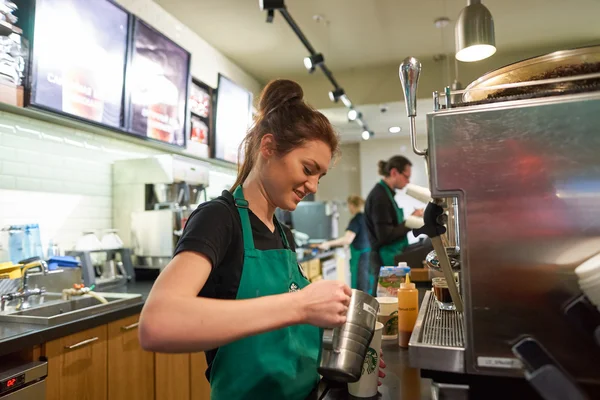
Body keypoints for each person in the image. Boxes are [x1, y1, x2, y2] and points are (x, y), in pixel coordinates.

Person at [138, 80, 384, 400]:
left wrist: (341, 348)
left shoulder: (282, 233)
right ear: (268, 147)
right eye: (308, 169)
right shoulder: (218, 219)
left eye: (319, 176)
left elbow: (286, 334)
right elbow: (157, 324)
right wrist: (301, 305)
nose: (313, 186)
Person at [364, 155, 423, 296]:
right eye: (406, 176)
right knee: (384, 304)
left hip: (390, 258)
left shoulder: (386, 194)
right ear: (394, 172)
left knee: (391, 304)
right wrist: (411, 222)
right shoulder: (380, 197)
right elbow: (385, 235)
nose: (408, 182)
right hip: (384, 260)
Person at [317, 195, 370, 292]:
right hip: (367, 255)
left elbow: (347, 239)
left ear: (352, 205)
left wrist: (328, 244)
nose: (349, 208)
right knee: (366, 284)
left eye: (349, 205)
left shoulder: (356, 219)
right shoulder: (365, 218)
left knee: (360, 287)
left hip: (360, 258)